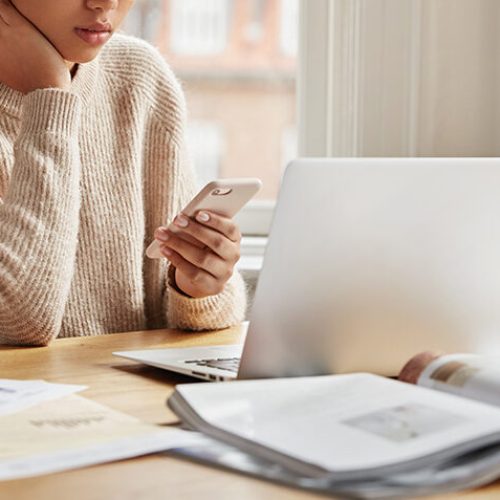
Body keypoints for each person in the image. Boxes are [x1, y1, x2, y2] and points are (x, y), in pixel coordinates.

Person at [0, 0, 246, 346]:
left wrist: (194, 288)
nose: (106, 3)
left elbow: (202, 313)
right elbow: (19, 321)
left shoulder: (138, 77)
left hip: (130, 397)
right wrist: (50, 96)